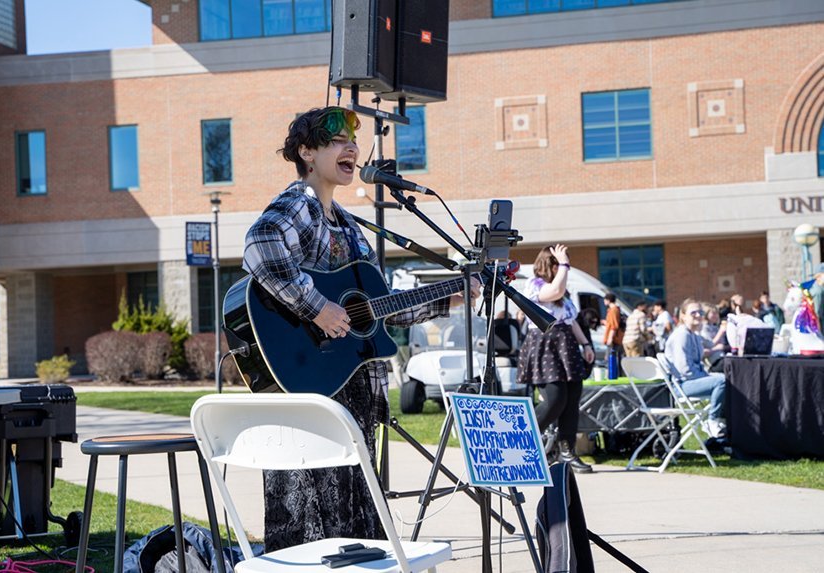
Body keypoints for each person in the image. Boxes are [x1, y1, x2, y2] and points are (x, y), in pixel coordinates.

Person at [242, 106, 479, 552]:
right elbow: (260, 244)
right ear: (307, 153)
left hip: (350, 398)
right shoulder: (301, 205)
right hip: (314, 392)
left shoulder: (348, 226)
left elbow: (376, 313)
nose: (351, 146)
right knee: (313, 527)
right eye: (335, 140)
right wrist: (316, 308)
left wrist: (453, 296)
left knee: (354, 528)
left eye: (353, 139)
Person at [516, 245, 596, 473]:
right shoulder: (535, 285)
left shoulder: (564, 295)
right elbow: (554, 292)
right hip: (545, 345)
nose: (562, 269)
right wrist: (565, 265)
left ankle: (566, 452)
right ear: (548, 265)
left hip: (566, 345)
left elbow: (571, 321)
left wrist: (586, 345)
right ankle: (522, 438)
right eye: (557, 265)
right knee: (555, 399)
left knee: (571, 403)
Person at [664, 298, 728, 438]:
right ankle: (712, 421)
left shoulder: (693, 334)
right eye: (693, 313)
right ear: (683, 316)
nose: (699, 315)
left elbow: (709, 345)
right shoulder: (682, 335)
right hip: (682, 385)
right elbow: (685, 370)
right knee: (722, 380)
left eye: (700, 312)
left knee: (729, 378)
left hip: (691, 379)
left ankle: (723, 424)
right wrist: (706, 377)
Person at [602, 293, 624, 361]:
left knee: (611, 359)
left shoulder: (613, 310)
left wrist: (610, 338)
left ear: (608, 300)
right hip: (615, 338)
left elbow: (614, 326)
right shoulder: (615, 310)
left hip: (614, 339)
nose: (604, 301)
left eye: (605, 300)